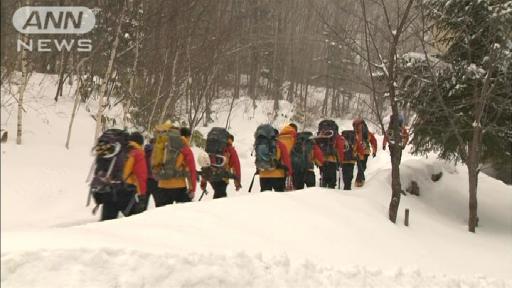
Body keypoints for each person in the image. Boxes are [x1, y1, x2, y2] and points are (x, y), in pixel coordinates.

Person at [101, 132, 148, 221]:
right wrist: (142, 196)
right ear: (140, 143)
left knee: (105, 224)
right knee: (135, 222)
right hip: (125, 191)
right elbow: (141, 176)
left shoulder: (117, 149)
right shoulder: (138, 153)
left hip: (108, 190)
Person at [151, 122, 197, 206]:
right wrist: (192, 188)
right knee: (184, 216)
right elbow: (191, 169)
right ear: (187, 137)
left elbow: (155, 161)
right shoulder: (184, 147)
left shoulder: (163, 144)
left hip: (162, 186)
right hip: (179, 187)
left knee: (162, 216)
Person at [200, 132, 242, 198]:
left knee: (218, 193)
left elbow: (205, 163)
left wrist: (203, 181)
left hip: (210, 176)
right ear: (231, 140)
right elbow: (236, 165)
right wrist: (237, 182)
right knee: (221, 196)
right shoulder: (230, 149)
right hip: (223, 177)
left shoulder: (212, 148)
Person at [254, 124, 293, 192]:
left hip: (264, 175)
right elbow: (286, 159)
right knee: (279, 198)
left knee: (265, 198)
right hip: (278, 175)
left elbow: (258, 158)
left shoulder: (260, 143)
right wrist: (289, 172)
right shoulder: (280, 144)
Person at [316, 120, 345, 189]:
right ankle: (331, 194)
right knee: (332, 180)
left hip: (322, 159)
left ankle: (323, 187)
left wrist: (317, 160)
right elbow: (340, 149)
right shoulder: (336, 136)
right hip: (332, 160)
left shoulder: (320, 134)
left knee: (324, 176)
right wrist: (340, 161)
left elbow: (315, 147)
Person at [353, 118, 377, 187]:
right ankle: (359, 181)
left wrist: (374, 150)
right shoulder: (357, 134)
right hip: (360, 153)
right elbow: (373, 142)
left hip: (363, 152)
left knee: (362, 166)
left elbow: (373, 141)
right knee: (361, 166)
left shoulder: (365, 134)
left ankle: (359, 180)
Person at [277, 123, 297, 190]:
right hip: (290, 161)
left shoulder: (280, 135)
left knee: (281, 185)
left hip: (280, 163)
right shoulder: (294, 135)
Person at [143, 138, 157, 210]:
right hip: (155, 181)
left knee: (143, 204)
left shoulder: (144, 151)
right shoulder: (156, 152)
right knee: (159, 204)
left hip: (145, 181)